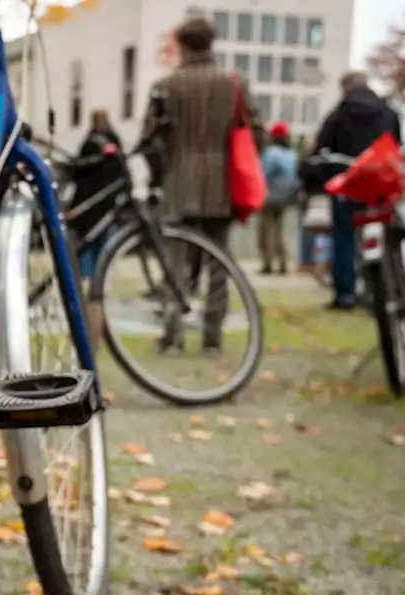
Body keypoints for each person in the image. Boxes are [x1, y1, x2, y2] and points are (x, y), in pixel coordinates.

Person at [139, 16, 259, 356]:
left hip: (178, 181)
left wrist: (158, 175)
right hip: (221, 185)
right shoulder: (233, 84)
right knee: (218, 265)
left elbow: (150, 140)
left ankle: (173, 335)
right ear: (212, 42)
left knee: (175, 264)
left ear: (181, 43)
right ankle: (212, 338)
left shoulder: (166, 85)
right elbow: (255, 131)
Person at [310, 71, 402, 310]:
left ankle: (345, 295)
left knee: (343, 238)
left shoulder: (340, 113)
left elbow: (322, 148)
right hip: (380, 183)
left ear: (346, 87)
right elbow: (396, 144)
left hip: (350, 184)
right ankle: (385, 290)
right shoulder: (387, 111)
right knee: (383, 232)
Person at [70, 109, 125, 281]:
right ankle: (96, 279)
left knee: (92, 244)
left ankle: (90, 278)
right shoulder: (109, 143)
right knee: (101, 245)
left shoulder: (90, 143)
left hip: (93, 203)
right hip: (103, 203)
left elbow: (78, 172)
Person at [259, 121, 298, 274]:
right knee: (280, 231)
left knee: (266, 230)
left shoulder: (270, 153)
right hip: (285, 197)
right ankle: (283, 263)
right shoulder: (292, 154)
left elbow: (264, 173)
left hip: (269, 196)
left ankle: (267, 264)